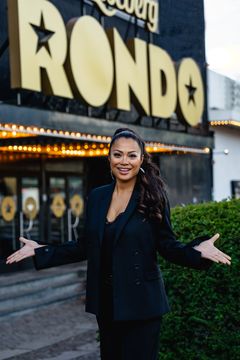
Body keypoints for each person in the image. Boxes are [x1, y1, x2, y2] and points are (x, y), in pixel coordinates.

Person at [6, 128, 231, 360]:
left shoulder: (153, 196)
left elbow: (167, 245)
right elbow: (84, 246)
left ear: (141, 159)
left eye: (131, 155)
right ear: (109, 158)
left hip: (142, 304)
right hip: (107, 304)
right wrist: (40, 250)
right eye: (118, 154)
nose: (124, 161)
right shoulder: (97, 197)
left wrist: (197, 251)